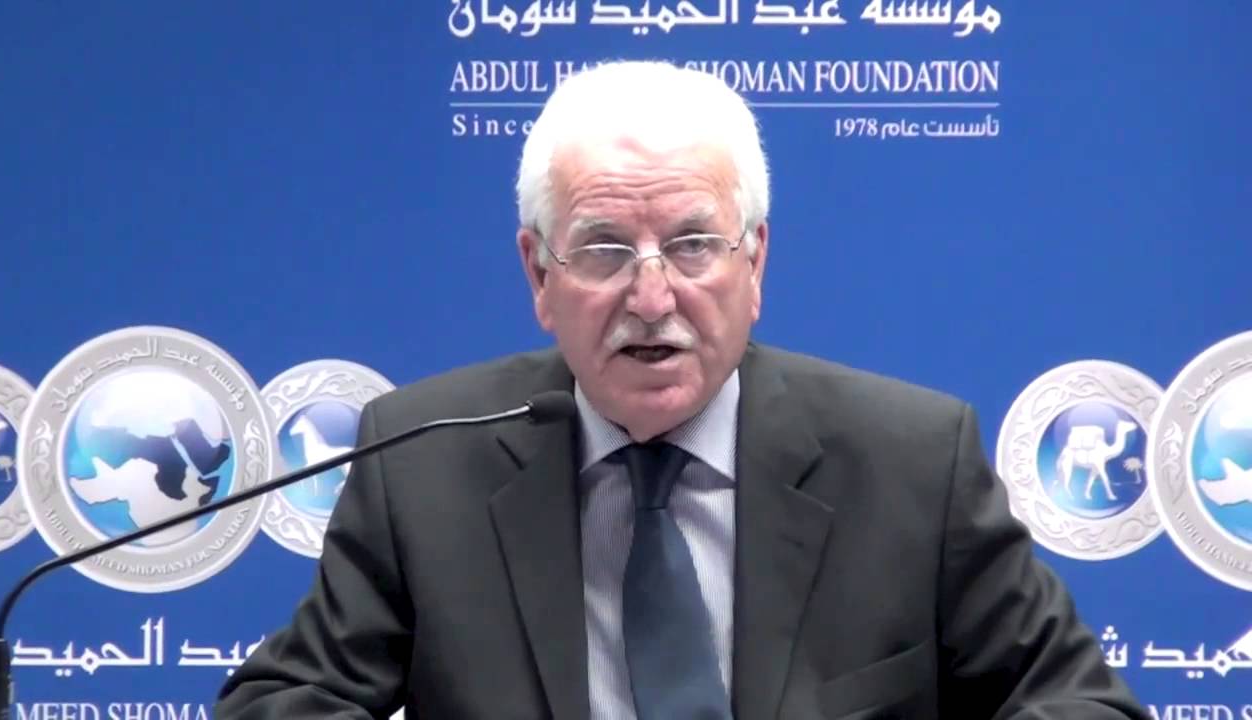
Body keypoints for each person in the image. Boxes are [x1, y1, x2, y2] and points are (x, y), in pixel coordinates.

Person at [215, 60, 1149, 719]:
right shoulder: (425, 461)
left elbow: (1079, 704)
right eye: (604, 250)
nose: (653, 298)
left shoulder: (910, 462)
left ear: (756, 263)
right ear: (539, 274)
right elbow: (282, 701)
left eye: (694, 245)